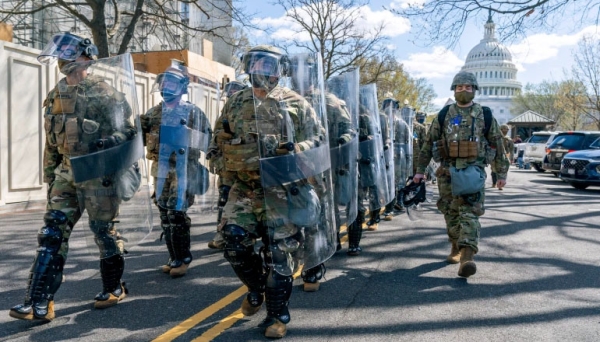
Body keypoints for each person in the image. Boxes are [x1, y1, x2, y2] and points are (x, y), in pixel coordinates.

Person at [10, 33, 139, 321]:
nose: (63, 57)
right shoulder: (55, 94)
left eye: (70, 51)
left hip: (98, 174)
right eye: (60, 52)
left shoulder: (105, 93)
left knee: (104, 233)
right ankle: (38, 301)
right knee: (51, 233)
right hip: (66, 174)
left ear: (86, 56)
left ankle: (114, 287)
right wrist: (49, 179)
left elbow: (129, 133)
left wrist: (106, 143)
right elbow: (51, 142)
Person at [210, 46, 336, 338]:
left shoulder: (295, 103)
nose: (263, 70)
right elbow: (217, 140)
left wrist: (297, 149)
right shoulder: (235, 102)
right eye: (257, 64)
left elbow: (318, 140)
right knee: (234, 242)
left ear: (281, 70)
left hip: (283, 190)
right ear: (248, 67)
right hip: (245, 189)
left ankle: (277, 316)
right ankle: (256, 287)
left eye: (270, 65)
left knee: (280, 253)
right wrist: (222, 162)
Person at [413, 71, 509, 278]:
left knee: (470, 213)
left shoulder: (485, 114)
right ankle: (455, 245)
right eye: (459, 87)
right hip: (446, 172)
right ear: (454, 90)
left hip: (472, 172)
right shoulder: (444, 114)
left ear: (474, 90)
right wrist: (420, 171)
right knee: (450, 212)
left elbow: (498, 144)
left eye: (468, 87)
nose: (463, 90)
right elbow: (429, 144)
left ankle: (467, 257)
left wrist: (500, 172)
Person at [286, 55, 355, 292]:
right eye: (294, 72)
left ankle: (312, 268)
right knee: (288, 220)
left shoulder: (329, 101)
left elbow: (347, 130)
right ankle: (289, 264)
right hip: (287, 168)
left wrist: (338, 146)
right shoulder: (283, 99)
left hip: (318, 168)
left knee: (315, 219)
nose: (298, 77)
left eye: (302, 72)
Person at [140, 62, 212, 277]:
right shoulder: (153, 113)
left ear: (182, 87)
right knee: (164, 212)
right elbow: (137, 136)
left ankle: (183, 258)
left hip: (183, 169)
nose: (166, 87)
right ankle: (173, 257)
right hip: (160, 170)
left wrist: (187, 135)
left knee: (176, 213)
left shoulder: (193, 112)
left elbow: (210, 142)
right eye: (163, 83)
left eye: (171, 83)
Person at [207, 80, 248, 250]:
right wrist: (212, 151)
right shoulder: (226, 112)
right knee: (224, 198)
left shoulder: (251, 112)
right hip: (226, 166)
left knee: (246, 199)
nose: (232, 96)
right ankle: (221, 234)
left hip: (244, 166)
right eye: (230, 93)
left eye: (236, 92)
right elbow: (216, 135)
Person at [491, 124, 514, 189]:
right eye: (503, 129)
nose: (505, 131)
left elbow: (511, 149)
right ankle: (495, 183)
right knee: (495, 170)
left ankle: (498, 184)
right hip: (497, 156)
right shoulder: (498, 138)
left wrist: (511, 158)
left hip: (504, 156)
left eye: (506, 129)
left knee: (499, 170)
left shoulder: (508, 139)